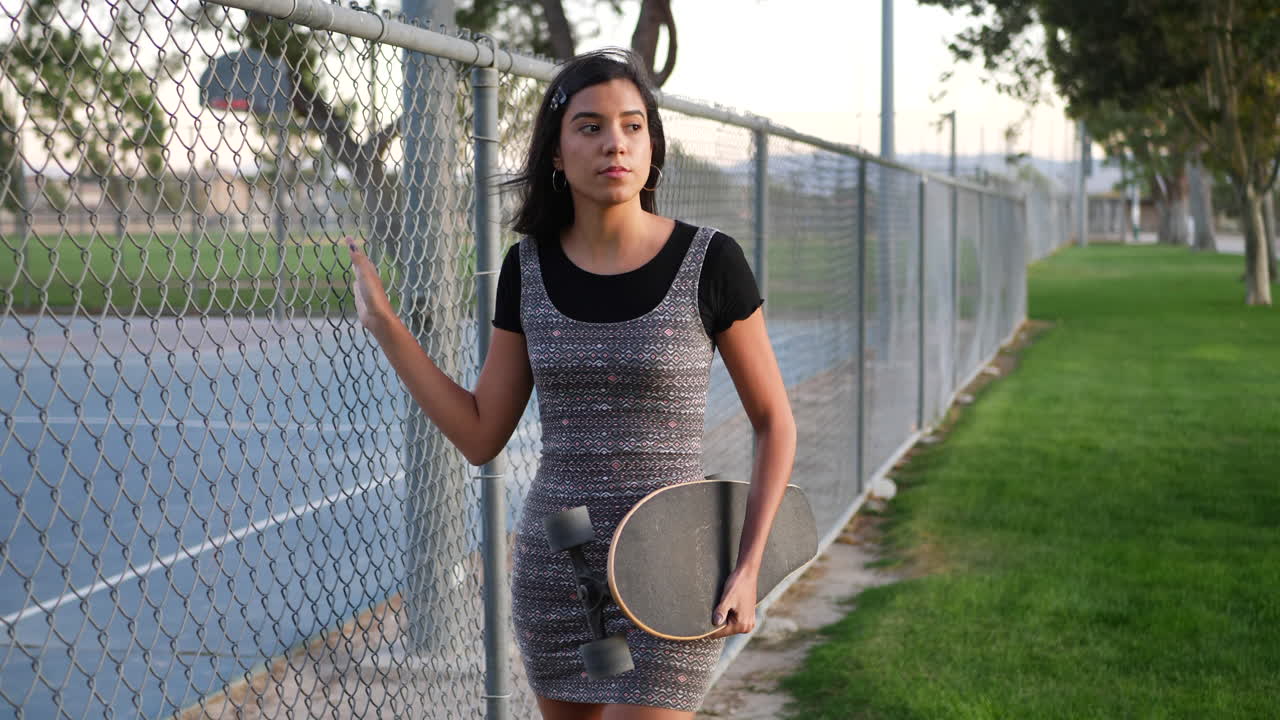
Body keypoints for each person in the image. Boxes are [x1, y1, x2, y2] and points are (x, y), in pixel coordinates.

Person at [347, 48, 796, 720]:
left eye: (632, 125)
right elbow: (479, 433)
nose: (614, 142)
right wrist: (384, 324)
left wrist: (750, 565)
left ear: (652, 145)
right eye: (589, 127)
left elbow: (773, 422)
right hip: (565, 569)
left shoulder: (710, 261)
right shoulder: (526, 270)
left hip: (677, 573)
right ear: (556, 154)